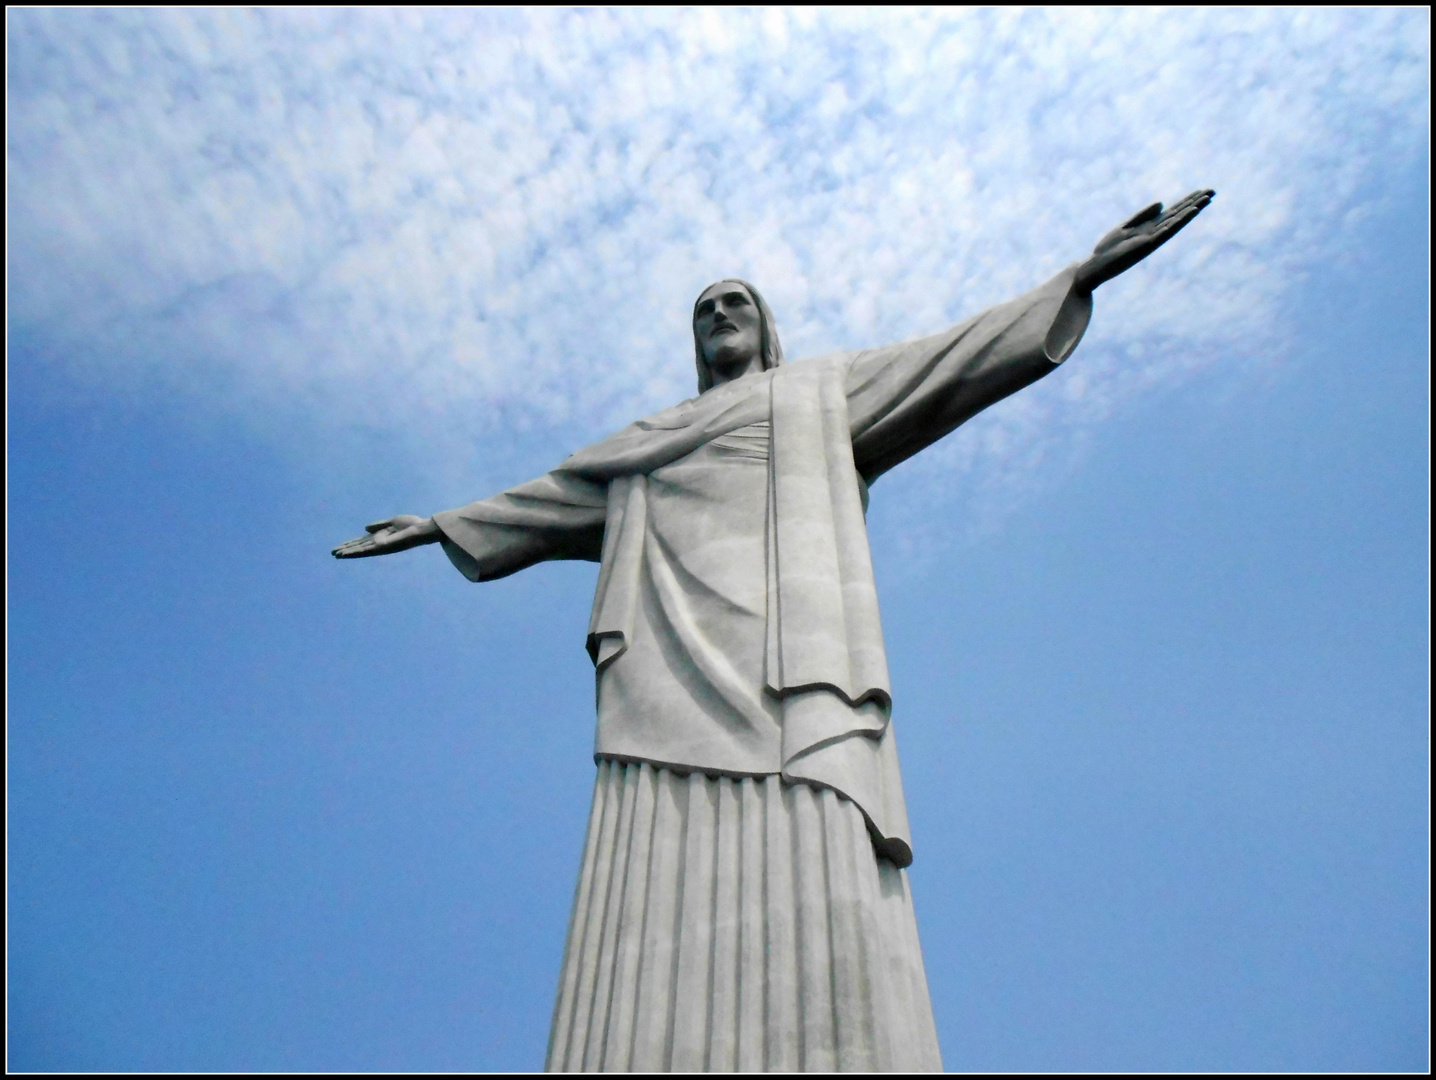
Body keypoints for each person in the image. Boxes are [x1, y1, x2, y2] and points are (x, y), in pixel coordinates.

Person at [334, 189, 1214, 1073]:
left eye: (736, 302)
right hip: (664, 665)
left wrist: (1077, 277)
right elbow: (544, 501)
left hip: (796, 665)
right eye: (705, 308)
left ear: (764, 327)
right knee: (651, 854)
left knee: (818, 838)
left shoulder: (818, 392)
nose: (721, 314)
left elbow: (951, 360)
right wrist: (440, 524)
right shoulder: (647, 438)